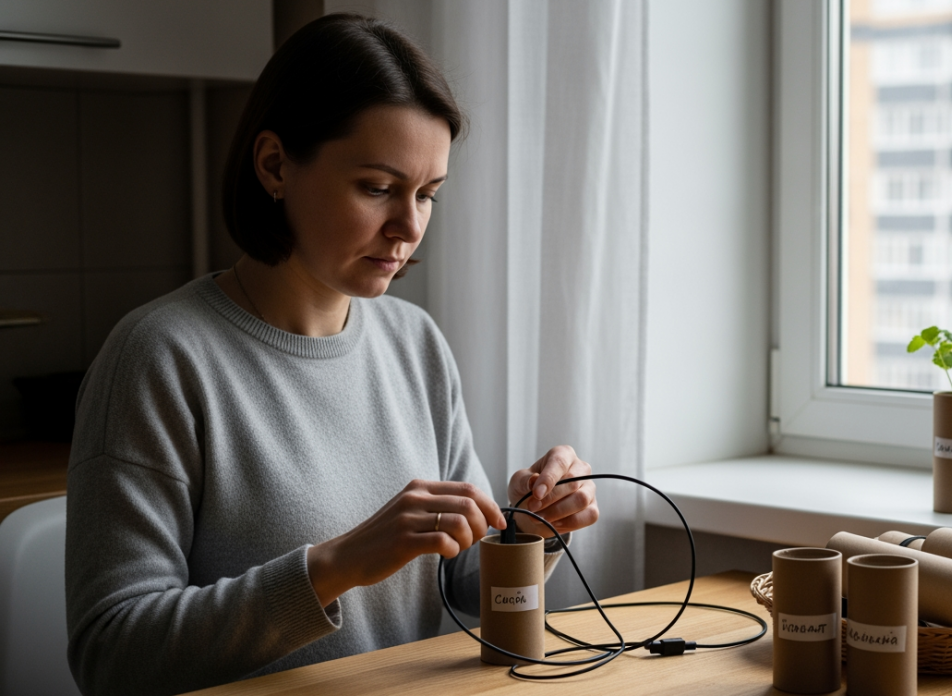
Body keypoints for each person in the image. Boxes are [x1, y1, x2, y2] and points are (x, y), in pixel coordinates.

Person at [63, 14, 599, 696]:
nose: (409, 227)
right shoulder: (158, 358)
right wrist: (337, 565)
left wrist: (530, 530)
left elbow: (465, 583)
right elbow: (111, 657)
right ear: (274, 165)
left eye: (427, 195)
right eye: (377, 188)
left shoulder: (415, 342)